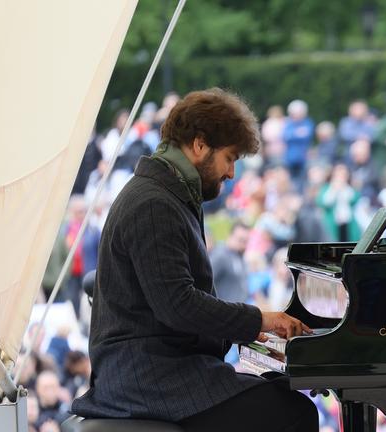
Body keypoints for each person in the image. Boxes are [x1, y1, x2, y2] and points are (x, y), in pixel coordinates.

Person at [71, 88, 318, 431]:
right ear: (200, 145)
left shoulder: (167, 193)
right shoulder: (155, 204)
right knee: (293, 412)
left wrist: (246, 331)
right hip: (147, 379)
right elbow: (177, 305)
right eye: (230, 158)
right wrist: (258, 320)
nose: (231, 173)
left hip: (155, 368)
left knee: (275, 395)